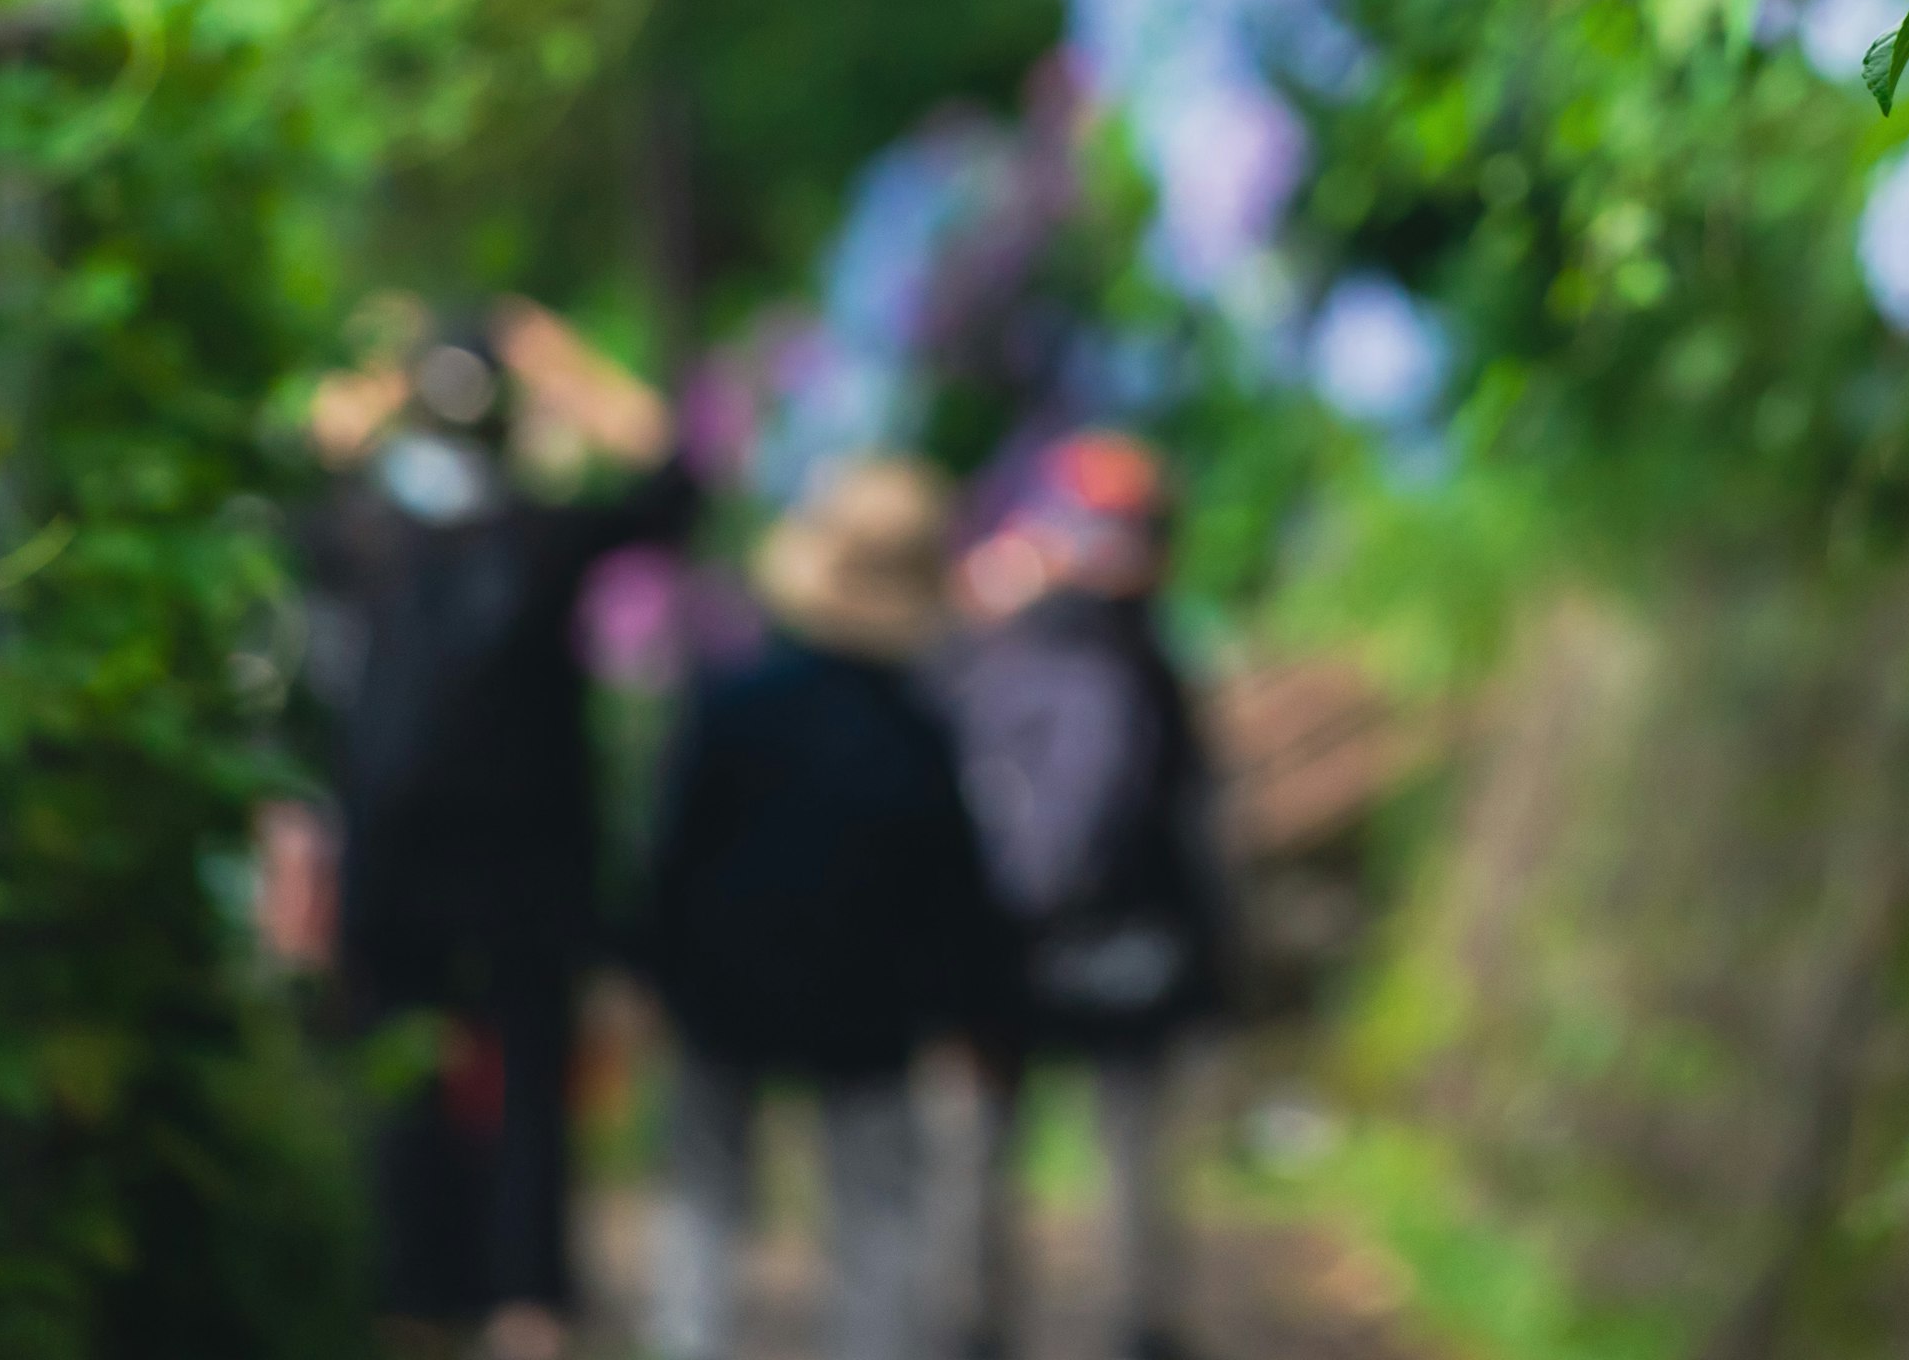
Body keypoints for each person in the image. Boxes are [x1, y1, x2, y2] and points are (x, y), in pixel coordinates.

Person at [302, 305, 697, 1360]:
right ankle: (526, 1303)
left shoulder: (362, 534)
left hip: (398, 852)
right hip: (531, 854)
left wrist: (391, 368)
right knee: (531, 1081)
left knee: (406, 1082)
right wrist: (557, 358)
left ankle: (416, 1297)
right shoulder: (546, 533)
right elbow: (675, 474)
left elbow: (298, 458)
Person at [629, 456, 1013, 1360]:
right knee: (877, 1219)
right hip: (867, 1016)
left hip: (723, 999)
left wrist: (652, 972)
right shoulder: (917, 735)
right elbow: (957, 900)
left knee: (704, 1207)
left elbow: (671, 857)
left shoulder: (736, 704)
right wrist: (977, 1011)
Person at [942, 432, 1230, 1360]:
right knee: (1129, 1153)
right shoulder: (1154, 660)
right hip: (1131, 944)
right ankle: (1141, 1331)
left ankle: (979, 1329)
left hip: (1009, 939)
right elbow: (1196, 817)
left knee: (988, 1152)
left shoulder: (998, 643)